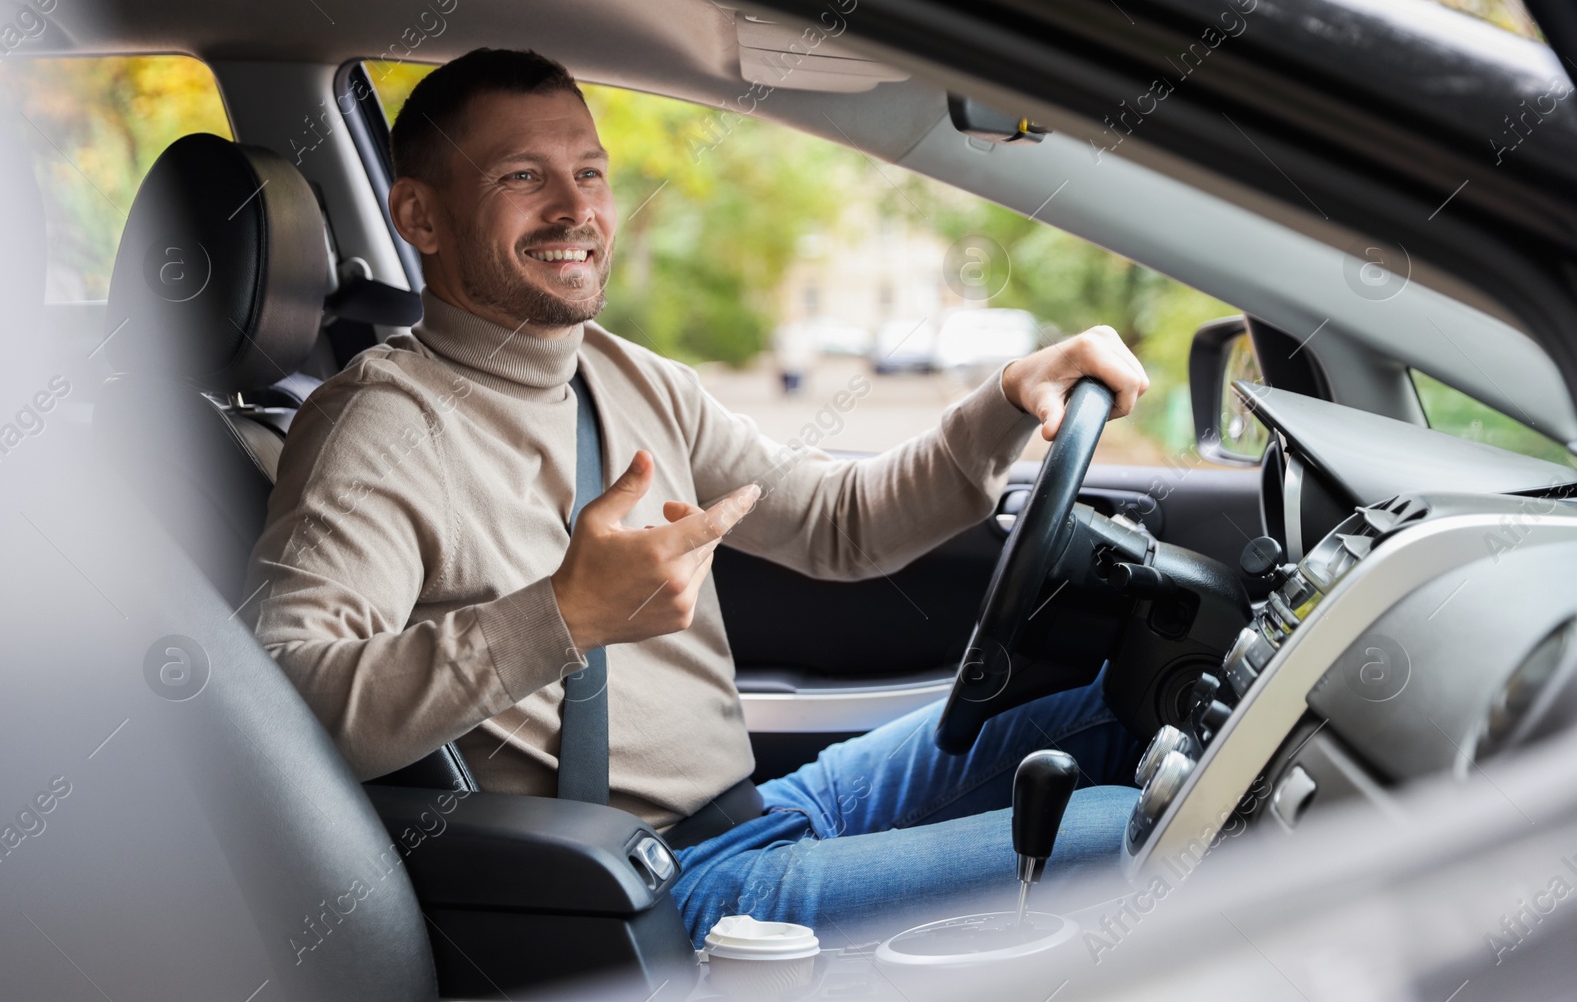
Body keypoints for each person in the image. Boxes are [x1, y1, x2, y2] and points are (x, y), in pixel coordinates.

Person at [247, 48, 1152, 947]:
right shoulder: (374, 427)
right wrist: (559, 615)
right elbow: (285, 703)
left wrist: (1006, 396)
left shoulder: (629, 376)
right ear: (420, 216)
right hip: (661, 890)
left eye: (590, 172)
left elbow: (842, 525)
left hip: (767, 809)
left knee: (1129, 703)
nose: (577, 208)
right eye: (524, 176)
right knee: (1142, 832)